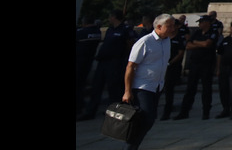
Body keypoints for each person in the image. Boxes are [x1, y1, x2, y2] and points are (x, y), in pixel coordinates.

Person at [122, 14, 176, 150]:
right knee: (146, 118)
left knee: (147, 120)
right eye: (169, 26)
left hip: (157, 86)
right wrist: (127, 91)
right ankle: (130, 146)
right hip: (142, 86)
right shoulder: (145, 42)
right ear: (159, 26)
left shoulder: (166, 41)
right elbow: (130, 66)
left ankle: (132, 145)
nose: (172, 29)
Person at [80, 10, 134, 120]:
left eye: (110, 16)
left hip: (115, 62)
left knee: (113, 88)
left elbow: (130, 43)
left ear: (114, 17)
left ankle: (114, 111)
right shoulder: (110, 29)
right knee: (96, 87)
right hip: (103, 61)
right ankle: (90, 111)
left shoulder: (124, 29)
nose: (109, 19)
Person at [175, 15, 219, 120]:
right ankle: (184, 111)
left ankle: (206, 112)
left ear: (207, 23)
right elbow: (188, 45)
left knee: (206, 89)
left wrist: (196, 43)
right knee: (190, 88)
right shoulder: (197, 33)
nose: (199, 24)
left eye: (201, 22)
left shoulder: (213, 32)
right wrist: (199, 43)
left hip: (206, 64)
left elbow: (207, 44)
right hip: (194, 63)